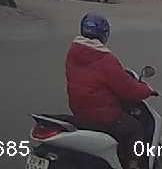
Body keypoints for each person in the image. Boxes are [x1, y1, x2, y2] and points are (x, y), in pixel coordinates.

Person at [65, 13, 155, 169]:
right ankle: (133, 165)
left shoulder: (73, 53)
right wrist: (148, 90)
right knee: (135, 129)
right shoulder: (104, 59)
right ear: (104, 34)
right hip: (103, 117)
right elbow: (129, 90)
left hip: (79, 112)